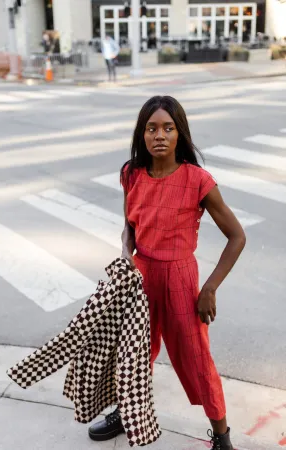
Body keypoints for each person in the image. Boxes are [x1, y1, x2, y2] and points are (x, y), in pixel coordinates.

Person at [88, 96, 246, 449]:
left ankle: (222, 437)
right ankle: (126, 412)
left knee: (196, 360)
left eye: (168, 128)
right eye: (151, 128)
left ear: (180, 134)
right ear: (142, 134)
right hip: (140, 276)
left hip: (180, 279)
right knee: (131, 353)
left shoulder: (198, 180)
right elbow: (130, 224)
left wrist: (209, 288)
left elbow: (237, 237)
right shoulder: (131, 174)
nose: (159, 135)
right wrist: (127, 253)